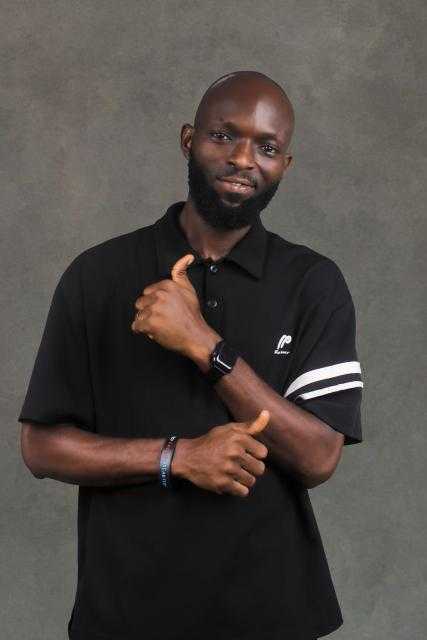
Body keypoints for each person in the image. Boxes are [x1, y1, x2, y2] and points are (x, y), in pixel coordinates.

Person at [18, 70, 364, 640]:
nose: (243, 159)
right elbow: (41, 446)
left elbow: (319, 458)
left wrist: (205, 345)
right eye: (223, 135)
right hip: (125, 618)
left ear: (285, 165)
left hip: (272, 618)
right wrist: (177, 457)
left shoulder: (313, 284)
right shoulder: (97, 276)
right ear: (188, 139)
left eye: (267, 147)